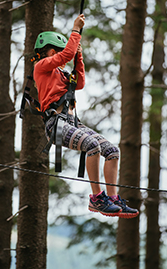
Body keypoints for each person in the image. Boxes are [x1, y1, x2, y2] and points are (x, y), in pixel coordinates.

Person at [32, 14, 138, 218]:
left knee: (112, 150)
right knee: (92, 145)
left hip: (73, 123)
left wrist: (79, 56)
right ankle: (96, 198)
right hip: (55, 125)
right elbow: (65, 56)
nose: (65, 58)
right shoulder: (42, 67)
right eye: (61, 54)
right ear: (52, 52)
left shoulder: (62, 74)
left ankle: (113, 198)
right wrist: (75, 30)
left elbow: (79, 82)